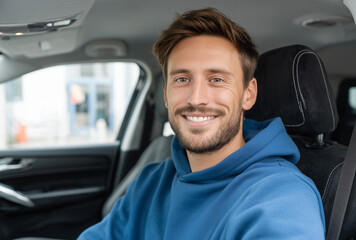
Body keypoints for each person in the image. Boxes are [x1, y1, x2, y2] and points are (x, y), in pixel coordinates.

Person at [78, 8, 325, 239]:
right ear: (166, 95)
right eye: (182, 79)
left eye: (217, 79)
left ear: (248, 94)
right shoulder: (152, 181)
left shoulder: (281, 198)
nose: (196, 99)